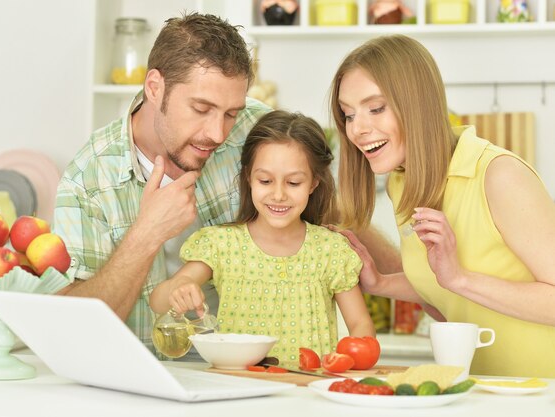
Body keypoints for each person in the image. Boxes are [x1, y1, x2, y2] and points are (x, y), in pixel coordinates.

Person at [54, 12, 400, 356]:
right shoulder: (88, 179)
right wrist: (146, 234)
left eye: (231, 112)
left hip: (245, 374)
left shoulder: (255, 128)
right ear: (155, 88)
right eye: (201, 109)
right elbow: (72, 332)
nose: (218, 133)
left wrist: (425, 290)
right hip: (138, 377)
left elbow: (331, 214)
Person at [329, 34, 555, 377]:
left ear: (418, 103)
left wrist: (460, 279)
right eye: (348, 115)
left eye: (376, 108)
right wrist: (381, 283)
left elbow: (455, 280)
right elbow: (440, 284)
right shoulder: (401, 182)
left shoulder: (498, 175)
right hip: (485, 387)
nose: (358, 129)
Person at [149, 110, 375, 362]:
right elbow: (158, 302)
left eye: (293, 183)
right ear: (249, 178)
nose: (278, 195)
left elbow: (361, 326)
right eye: (266, 181)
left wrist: (349, 363)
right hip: (237, 390)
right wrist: (178, 289)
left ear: (313, 183)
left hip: (306, 393)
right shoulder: (221, 244)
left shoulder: (331, 250)